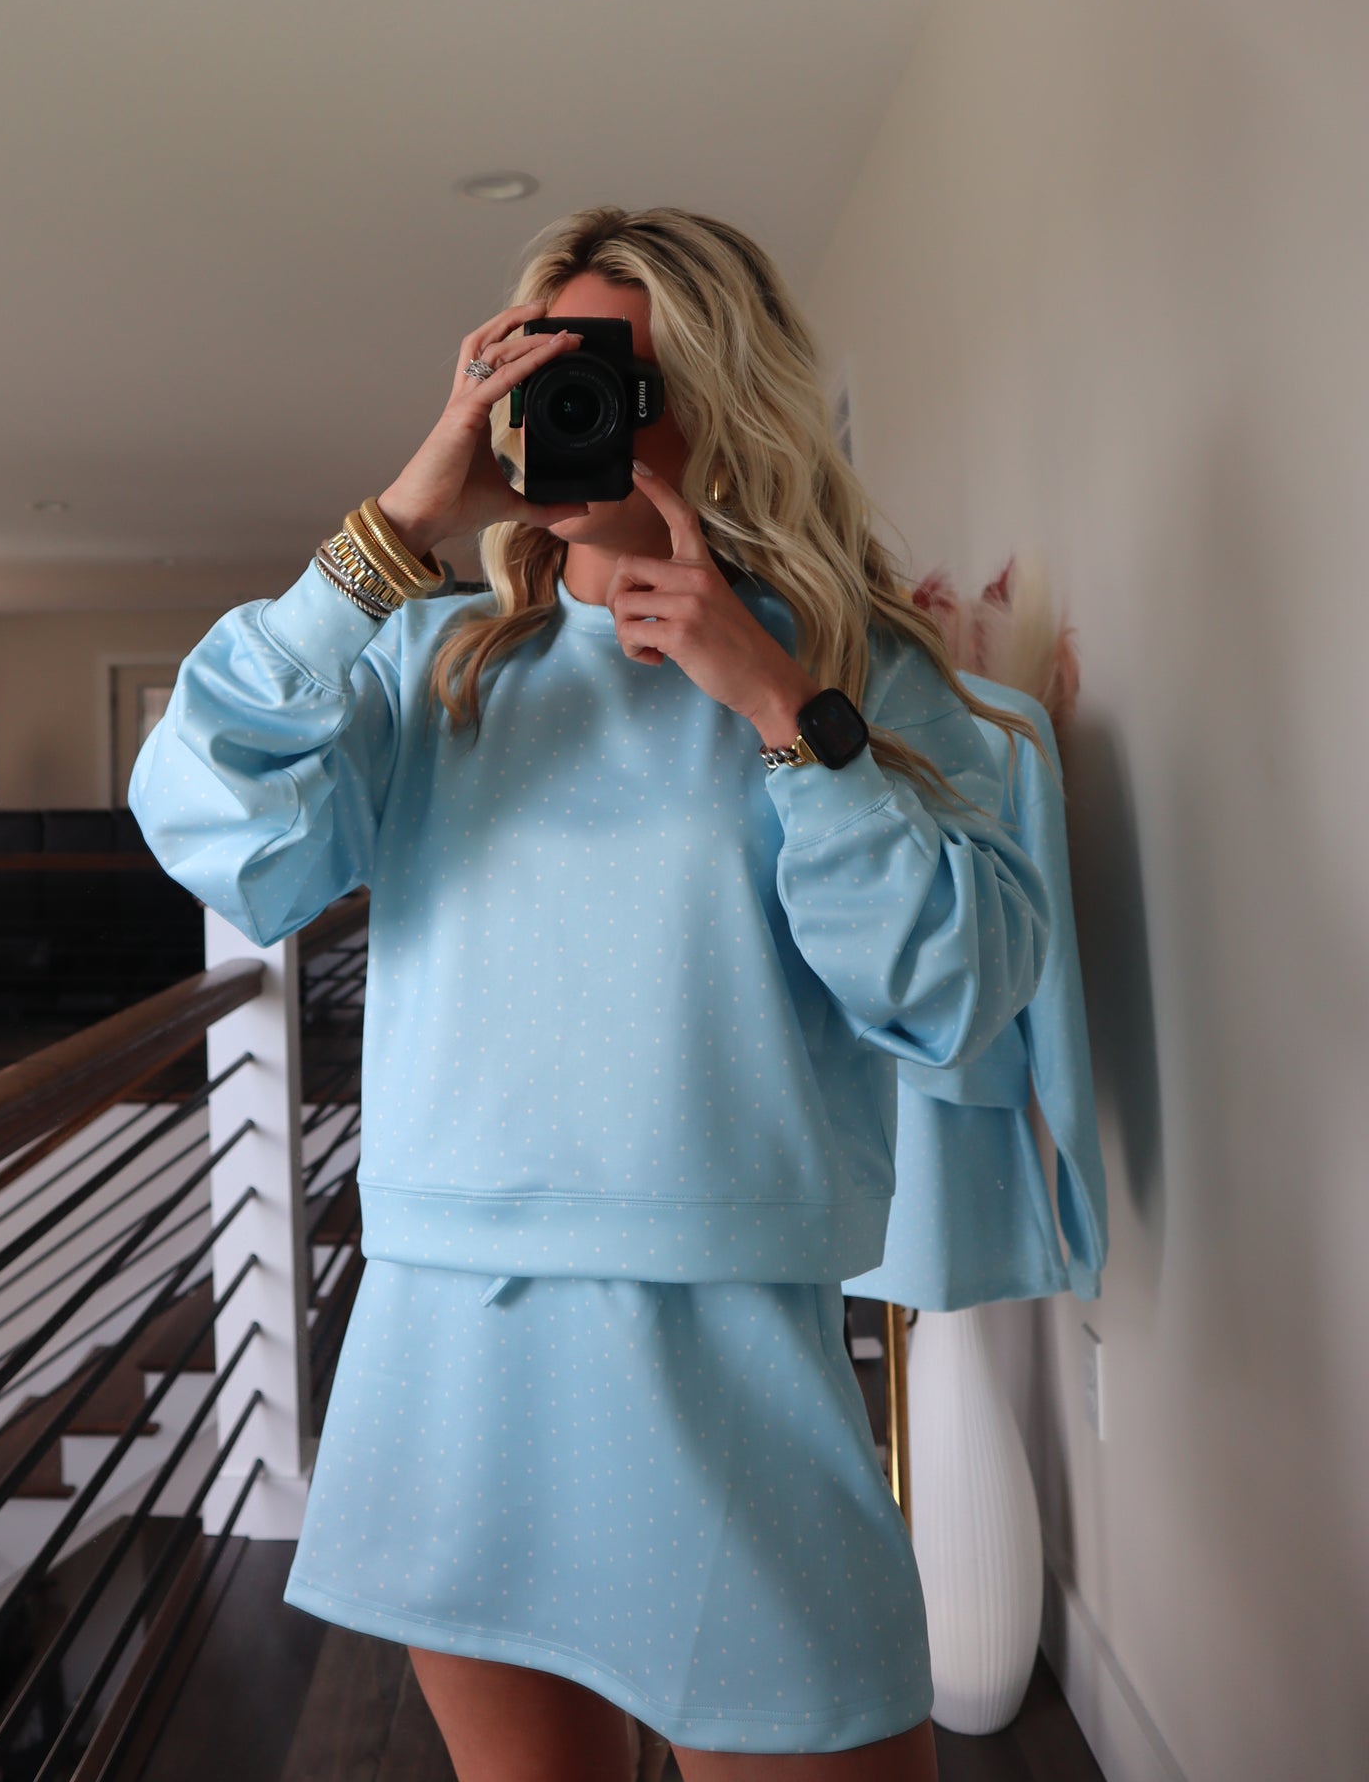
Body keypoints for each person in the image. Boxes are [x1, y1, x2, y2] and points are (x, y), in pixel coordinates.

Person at [130, 205, 1054, 1782]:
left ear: (721, 401)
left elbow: (954, 987)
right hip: (448, 1333)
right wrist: (396, 528)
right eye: (543, 366)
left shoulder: (854, 665)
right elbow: (214, 832)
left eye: (624, 375)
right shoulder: (432, 661)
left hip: (722, 1338)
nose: (576, 406)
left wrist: (778, 706)